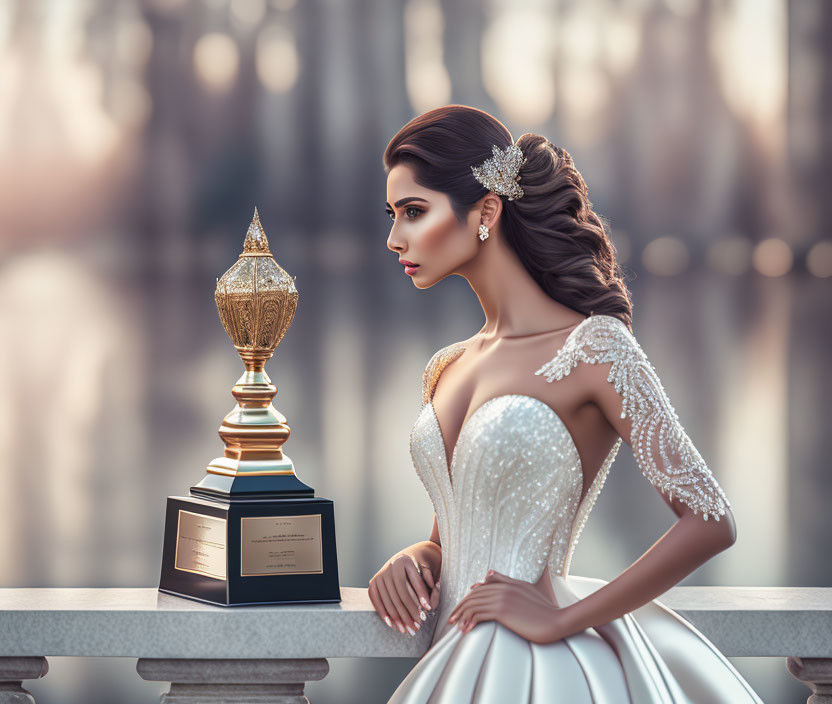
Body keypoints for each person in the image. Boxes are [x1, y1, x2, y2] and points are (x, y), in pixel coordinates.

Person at [371, 104, 763, 703]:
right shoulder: (447, 365)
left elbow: (711, 519)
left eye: (414, 212)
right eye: (394, 214)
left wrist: (561, 618)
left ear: (486, 212)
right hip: (450, 657)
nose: (395, 237)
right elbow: (460, 526)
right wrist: (420, 555)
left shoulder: (595, 347)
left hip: (536, 669)